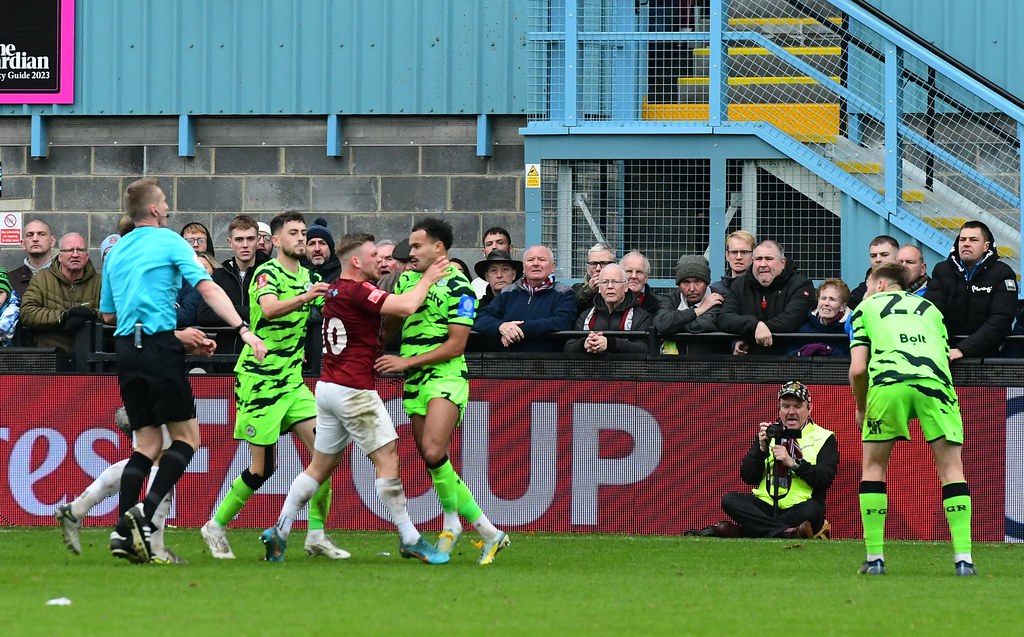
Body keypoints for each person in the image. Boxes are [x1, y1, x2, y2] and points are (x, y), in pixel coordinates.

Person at [100, 177, 265, 564]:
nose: (168, 206)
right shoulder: (170, 241)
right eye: (164, 201)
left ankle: (122, 532)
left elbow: (108, 315)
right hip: (159, 346)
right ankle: (143, 517)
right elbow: (207, 288)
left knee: (146, 445)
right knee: (188, 439)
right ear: (155, 209)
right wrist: (243, 328)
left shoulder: (116, 251)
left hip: (126, 349)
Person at [260, 233, 452, 564]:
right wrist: (429, 278)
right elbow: (406, 306)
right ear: (356, 261)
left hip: (328, 388)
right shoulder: (358, 290)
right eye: (374, 255)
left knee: (319, 466)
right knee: (387, 458)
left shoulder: (335, 289)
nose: (380, 259)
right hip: (353, 390)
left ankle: (280, 530)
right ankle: (410, 538)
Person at [200, 211, 345, 560]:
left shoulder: (310, 276)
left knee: (324, 457)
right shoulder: (268, 273)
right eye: (294, 233)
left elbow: (335, 306)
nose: (302, 238)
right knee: (263, 469)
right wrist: (306, 298)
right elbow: (268, 310)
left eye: (303, 232)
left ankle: (316, 534)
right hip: (260, 382)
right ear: (276, 241)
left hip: (292, 381)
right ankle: (215, 526)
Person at [374, 217, 510, 565]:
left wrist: (405, 362)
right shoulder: (407, 279)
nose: (411, 252)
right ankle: (459, 526)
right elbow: (391, 327)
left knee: (434, 450)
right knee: (434, 460)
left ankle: (481, 530)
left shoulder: (460, 286)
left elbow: (456, 345)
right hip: (415, 381)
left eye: (417, 246)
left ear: (438, 248)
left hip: (445, 376)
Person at [850, 262, 976, 576]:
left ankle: (875, 558)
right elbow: (943, 355)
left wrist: (862, 407)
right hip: (936, 384)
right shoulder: (932, 310)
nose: (866, 292)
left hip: (889, 384)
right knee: (952, 470)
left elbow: (858, 369)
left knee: (874, 467)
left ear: (880, 285)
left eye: (868, 286)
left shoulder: (866, 308)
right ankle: (964, 559)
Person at [693, 381, 837, 539]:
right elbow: (748, 477)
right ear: (779, 409)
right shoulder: (770, 433)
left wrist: (793, 463)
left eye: (797, 406)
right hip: (766, 505)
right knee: (729, 500)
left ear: (809, 409)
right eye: (785, 406)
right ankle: (785, 533)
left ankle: (748, 532)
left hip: (799, 507)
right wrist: (761, 450)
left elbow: (824, 479)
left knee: (813, 510)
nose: (791, 412)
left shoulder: (824, 437)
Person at [925, 220, 1017, 359]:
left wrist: (963, 349)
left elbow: (1000, 320)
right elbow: (931, 313)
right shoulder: (942, 270)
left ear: (986, 246)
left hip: (989, 356)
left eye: (973, 240)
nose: (966, 244)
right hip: (944, 352)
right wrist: (942, 348)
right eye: (962, 239)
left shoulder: (1003, 273)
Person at [717, 240, 815, 355]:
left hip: (789, 359)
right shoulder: (739, 285)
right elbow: (724, 318)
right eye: (758, 259)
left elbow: (791, 321)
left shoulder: (801, 285)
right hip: (749, 360)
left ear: (783, 262)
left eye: (769, 259)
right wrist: (755, 325)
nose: (763, 264)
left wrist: (751, 335)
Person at [473, 244, 576, 352]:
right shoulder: (508, 292)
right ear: (523, 267)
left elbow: (563, 321)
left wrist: (516, 330)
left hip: (548, 360)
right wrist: (501, 326)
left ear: (553, 266)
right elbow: (479, 317)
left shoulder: (564, 292)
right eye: (530, 260)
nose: (535, 264)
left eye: (542, 259)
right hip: (508, 361)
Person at [196, 215, 270, 354]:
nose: (245, 245)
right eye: (239, 239)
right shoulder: (219, 275)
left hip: (261, 353)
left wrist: (227, 310)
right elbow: (204, 315)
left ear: (257, 241)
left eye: (250, 239)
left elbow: (271, 313)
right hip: (226, 355)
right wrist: (247, 312)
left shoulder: (270, 273)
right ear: (230, 242)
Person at [20, 232, 102, 353]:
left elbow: (116, 313)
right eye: (69, 250)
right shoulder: (42, 279)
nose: (75, 255)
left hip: (88, 354)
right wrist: (63, 317)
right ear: (59, 256)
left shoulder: (100, 282)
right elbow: (27, 312)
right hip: (50, 353)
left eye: (80, 250)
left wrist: (93, 314)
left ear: (87, 255)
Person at [564, 263, 653, 355]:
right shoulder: (586, 316)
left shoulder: (641, 317)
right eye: (605, 282)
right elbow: (568, 347)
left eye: (615, 282)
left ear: (626, 286)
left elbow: (645, 349)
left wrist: (611, 344)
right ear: (599, 288)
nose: (610, 286)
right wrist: (584, 344)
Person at [654, 255, 724, 355]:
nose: (692, 289)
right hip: (676, 363)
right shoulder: (672, 299)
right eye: (686, 282)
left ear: (707, 282)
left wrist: (673, 326)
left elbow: (702, 325)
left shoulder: (718, 298)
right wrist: (699, 310)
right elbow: (662, 323)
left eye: (697, 281)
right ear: (678, 285)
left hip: (711, 362)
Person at [788, 278, 851, 357]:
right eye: (823, 298)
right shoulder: (805, 329)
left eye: (832, 299)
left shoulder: (851, 329)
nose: (826, 303)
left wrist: (831, 351)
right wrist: (801, 353)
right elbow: (787, 357)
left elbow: (855, 360)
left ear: (842, 307)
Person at [848, 235, 899, 309]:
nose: (878, 259)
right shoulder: (857, 295)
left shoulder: (910, 287)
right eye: (873, 256)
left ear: (897, 257)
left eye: (884, 255)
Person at [8, 218, 55, 299]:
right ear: (23, 244)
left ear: (52, 241)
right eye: (30, 235)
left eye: (41, 234)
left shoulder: (65, 275)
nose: (35, 239)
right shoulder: (10, 280)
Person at [572, 243, 616, 314]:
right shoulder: (576, 289)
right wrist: (588, 291)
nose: (598, 268)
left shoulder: (622, 289)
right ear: (587, 268)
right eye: (593, 263)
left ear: (614, 265)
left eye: (604, 263)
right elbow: (571, 311)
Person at [471, 226, 514, 298]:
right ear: (484, 251)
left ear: (510, 249)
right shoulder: (476, 285)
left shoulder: (524, 283)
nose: (494, 247)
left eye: (500, 243)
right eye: (489, 244)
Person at [620, 251, 664, 319]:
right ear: (619, 275)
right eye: (629, 271)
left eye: (639, 272)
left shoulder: (659, 305)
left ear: (646, 277)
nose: (634, 276)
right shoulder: (610, 302)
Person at [711, 230, 755, 298]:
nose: (738, 257)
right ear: (727, 255)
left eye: (744, 252)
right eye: (734, 252)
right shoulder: (716, 290)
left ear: (753, 255)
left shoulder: (760, 287)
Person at [304, 217, 341, 284]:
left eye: (322, 243)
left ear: (330, 250)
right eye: (311, 244)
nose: (317, 249)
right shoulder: (296, 273)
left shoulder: (342, 274)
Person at [0, 268, 19, 347]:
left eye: (0, 292)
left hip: (8, 353)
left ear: (7, 294)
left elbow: (3, 327)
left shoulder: (13, 309)